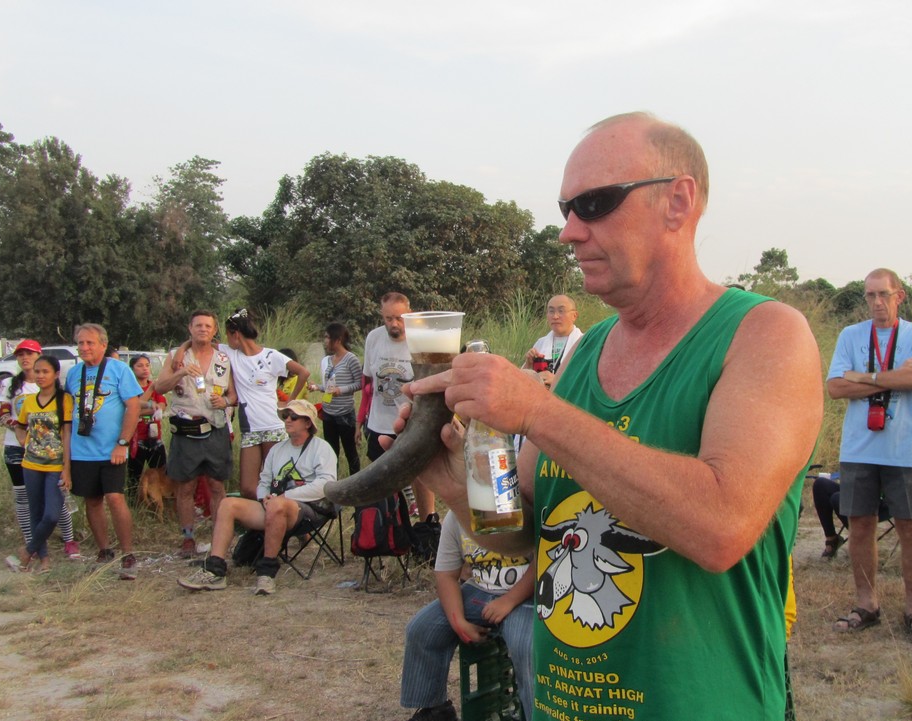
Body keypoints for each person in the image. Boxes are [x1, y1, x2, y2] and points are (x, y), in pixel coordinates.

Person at [404, 113, 823, 720]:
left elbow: (721, 527)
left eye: (595, 204)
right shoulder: (587, 354)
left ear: (678, 202)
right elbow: (522, 533)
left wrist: (537, 411)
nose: (569, 232)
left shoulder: (765, 335)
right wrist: (451, 476)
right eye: (565, 209)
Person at [825, 268, 912, 645]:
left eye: (883, 295)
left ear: (899, 296)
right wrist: (888, 377)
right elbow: (835, 387)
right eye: (870, 295)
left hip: (905, 449)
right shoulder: (851, 335)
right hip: (859, 448)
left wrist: (864, 376)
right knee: (860, 526)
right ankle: (866, 604)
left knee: (911, 528)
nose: (876, 302)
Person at [177, 399, 336, 596]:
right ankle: (215, 569)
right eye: (285, 416)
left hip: (307, 510)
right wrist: (263, 498)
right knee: (227, 504)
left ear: (307, 423)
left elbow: (325, 485)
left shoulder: (321, 448)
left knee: (277, 505)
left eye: (294, 417)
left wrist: (285, 496)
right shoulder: (278, 449)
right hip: (273, 505)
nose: (287, 420)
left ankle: (267, 572)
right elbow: (264, 480)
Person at [401, 511, 535, 721]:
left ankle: (534, 713)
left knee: (526, 644)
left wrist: (509, 600)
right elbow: (446, 575)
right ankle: (435, 711)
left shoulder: (525, 505)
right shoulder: (457, 516)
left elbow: (544, 562)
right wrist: (459, 622)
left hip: (527, 595)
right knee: (423, 628)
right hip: (480, 590)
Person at [63, 323, 144, 579]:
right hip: (82, 450)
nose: (84, 347)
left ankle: (128, 554)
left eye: (90, 343)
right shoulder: (73, 374)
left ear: (103, 345)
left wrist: (122, 443)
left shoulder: (118, 369)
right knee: (92, 500)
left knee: (115, 497)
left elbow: (133, 406)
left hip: (111, 450)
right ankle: (104, 550)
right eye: (80, 343)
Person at [155, 310, 238, 557]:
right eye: (198, 325)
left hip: (215, 428)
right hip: (186, 430)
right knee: (185, 487)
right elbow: (159, 386)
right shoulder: (176, 356)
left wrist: (226, 402)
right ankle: (188, 538)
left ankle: (219, 536)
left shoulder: (224, 358)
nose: (203, 329)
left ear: (214, 331)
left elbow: (233, 394)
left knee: (216, 485)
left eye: (208, 326)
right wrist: (180, 372)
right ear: (190, 328)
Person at [0, 340, 82, 560]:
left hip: (54, 459)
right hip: (23, 454)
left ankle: (64, 540)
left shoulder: (60, 396)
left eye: (30, 354)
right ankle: (36, 548)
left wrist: (66, 465)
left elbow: (66, 431)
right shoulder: (12, 385)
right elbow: (7, 414)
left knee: (54, 505)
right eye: (20, 354)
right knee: (27, 501)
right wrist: (23, 436)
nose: (25, 358)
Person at [359, 292, 435, 518]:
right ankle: (393, 527)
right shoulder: (373, 338)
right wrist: (361, 418)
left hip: (412, 422)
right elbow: (368, 380)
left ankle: (427, 524)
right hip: (379, 423)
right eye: (388, 318)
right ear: (381, 315)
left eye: (400, 318)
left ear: (409, 313)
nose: (394, 324)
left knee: (420, 477)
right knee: (383, 480)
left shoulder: (422, 340)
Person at [223, 308, 309, 499]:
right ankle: (259, 512)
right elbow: (203, 344)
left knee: (276, 482)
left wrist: (290, 401)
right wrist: (183, 349)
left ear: (235, 334)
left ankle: (275, 514)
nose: (226, 339)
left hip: (273, 426)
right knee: (248, 488)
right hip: (250, 430)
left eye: (227, 334)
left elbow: (303, 372)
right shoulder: (231, 353)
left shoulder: (271, 356)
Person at [7, 355, 73, 573]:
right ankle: (44, 559)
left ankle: (27, 551)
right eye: (37, 371)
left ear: (56, 374)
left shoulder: (64, 400)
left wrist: (67, 469)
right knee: (35, 512)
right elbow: (20, 425)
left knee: (52, 514)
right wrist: (23, 441)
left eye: (45, 371)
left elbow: (67, 434)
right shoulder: (28, 401)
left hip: (55, 466)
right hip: (31, 465)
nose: (40, 376)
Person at [310, 322, 362, 475]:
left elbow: (360, 383)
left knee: (350, 451)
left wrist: (341, 390)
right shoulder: (328, 360)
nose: (325, 341)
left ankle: (355, 483)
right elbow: (329, 387)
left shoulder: (351, 359)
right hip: (328, 413)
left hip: (344, 413)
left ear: (338, 339)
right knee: (331, 452)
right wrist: (317, 387)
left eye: (327, 337)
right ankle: (332, 482)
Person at [125, 354, 167, 498]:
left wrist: (142, 411)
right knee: (134, 476)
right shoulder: (130, 389)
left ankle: (159, 501)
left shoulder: (155, 386)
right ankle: (134, 503)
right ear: (132, 369)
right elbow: (133, 409)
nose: (145, 369)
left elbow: (162, 406)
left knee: (161, 472)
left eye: (147, 365)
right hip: (136, 439)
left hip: (155, 437)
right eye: (140, 366)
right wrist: (148, 408)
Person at [522, 294, 583, 390]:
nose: (555, 316)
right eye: (551, 311)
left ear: (574, 316)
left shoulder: (584, 343)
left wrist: (558, 381)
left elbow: (587, 382)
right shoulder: (541, 343)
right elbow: (523, 381)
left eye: (561, 311)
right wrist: (528, 364)